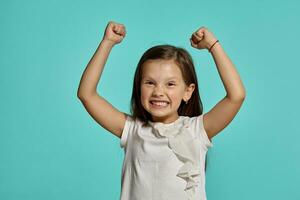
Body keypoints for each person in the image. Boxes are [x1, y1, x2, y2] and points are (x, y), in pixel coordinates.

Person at [77, 21, 246, 200]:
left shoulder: (197, 130)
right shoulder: (132, 130)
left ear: (188, 92)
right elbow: (86, 94)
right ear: (138, 87)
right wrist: (107, 42)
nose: (158, 92)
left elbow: (236, 96)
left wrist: (213, 46)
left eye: (170, 84)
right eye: (149, 82)